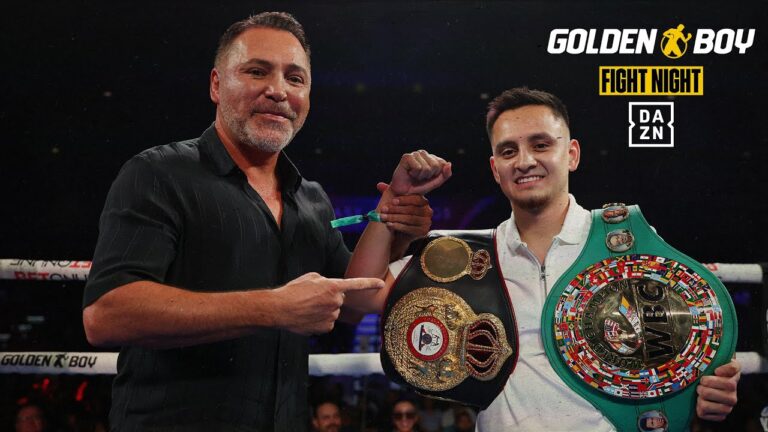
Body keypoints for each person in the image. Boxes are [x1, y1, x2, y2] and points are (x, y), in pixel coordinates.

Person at [82, 12, 450, 431]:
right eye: (257, 71)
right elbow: (107, 314)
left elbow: (354, 302)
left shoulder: (310, 198)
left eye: (295, 79)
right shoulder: (158, 174)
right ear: (217, 85)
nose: (278, 91)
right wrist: (275, 307)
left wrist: (393, 209)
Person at [347, 87, 741, 430]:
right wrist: (391, 205)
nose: (524, 161)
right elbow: (359, 298)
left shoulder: (626, 244)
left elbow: (695, 349)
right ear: (494, 168)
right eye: (508, 150)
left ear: (571, 154)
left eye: (540, 144)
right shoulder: (468, 256)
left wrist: (709, 391)